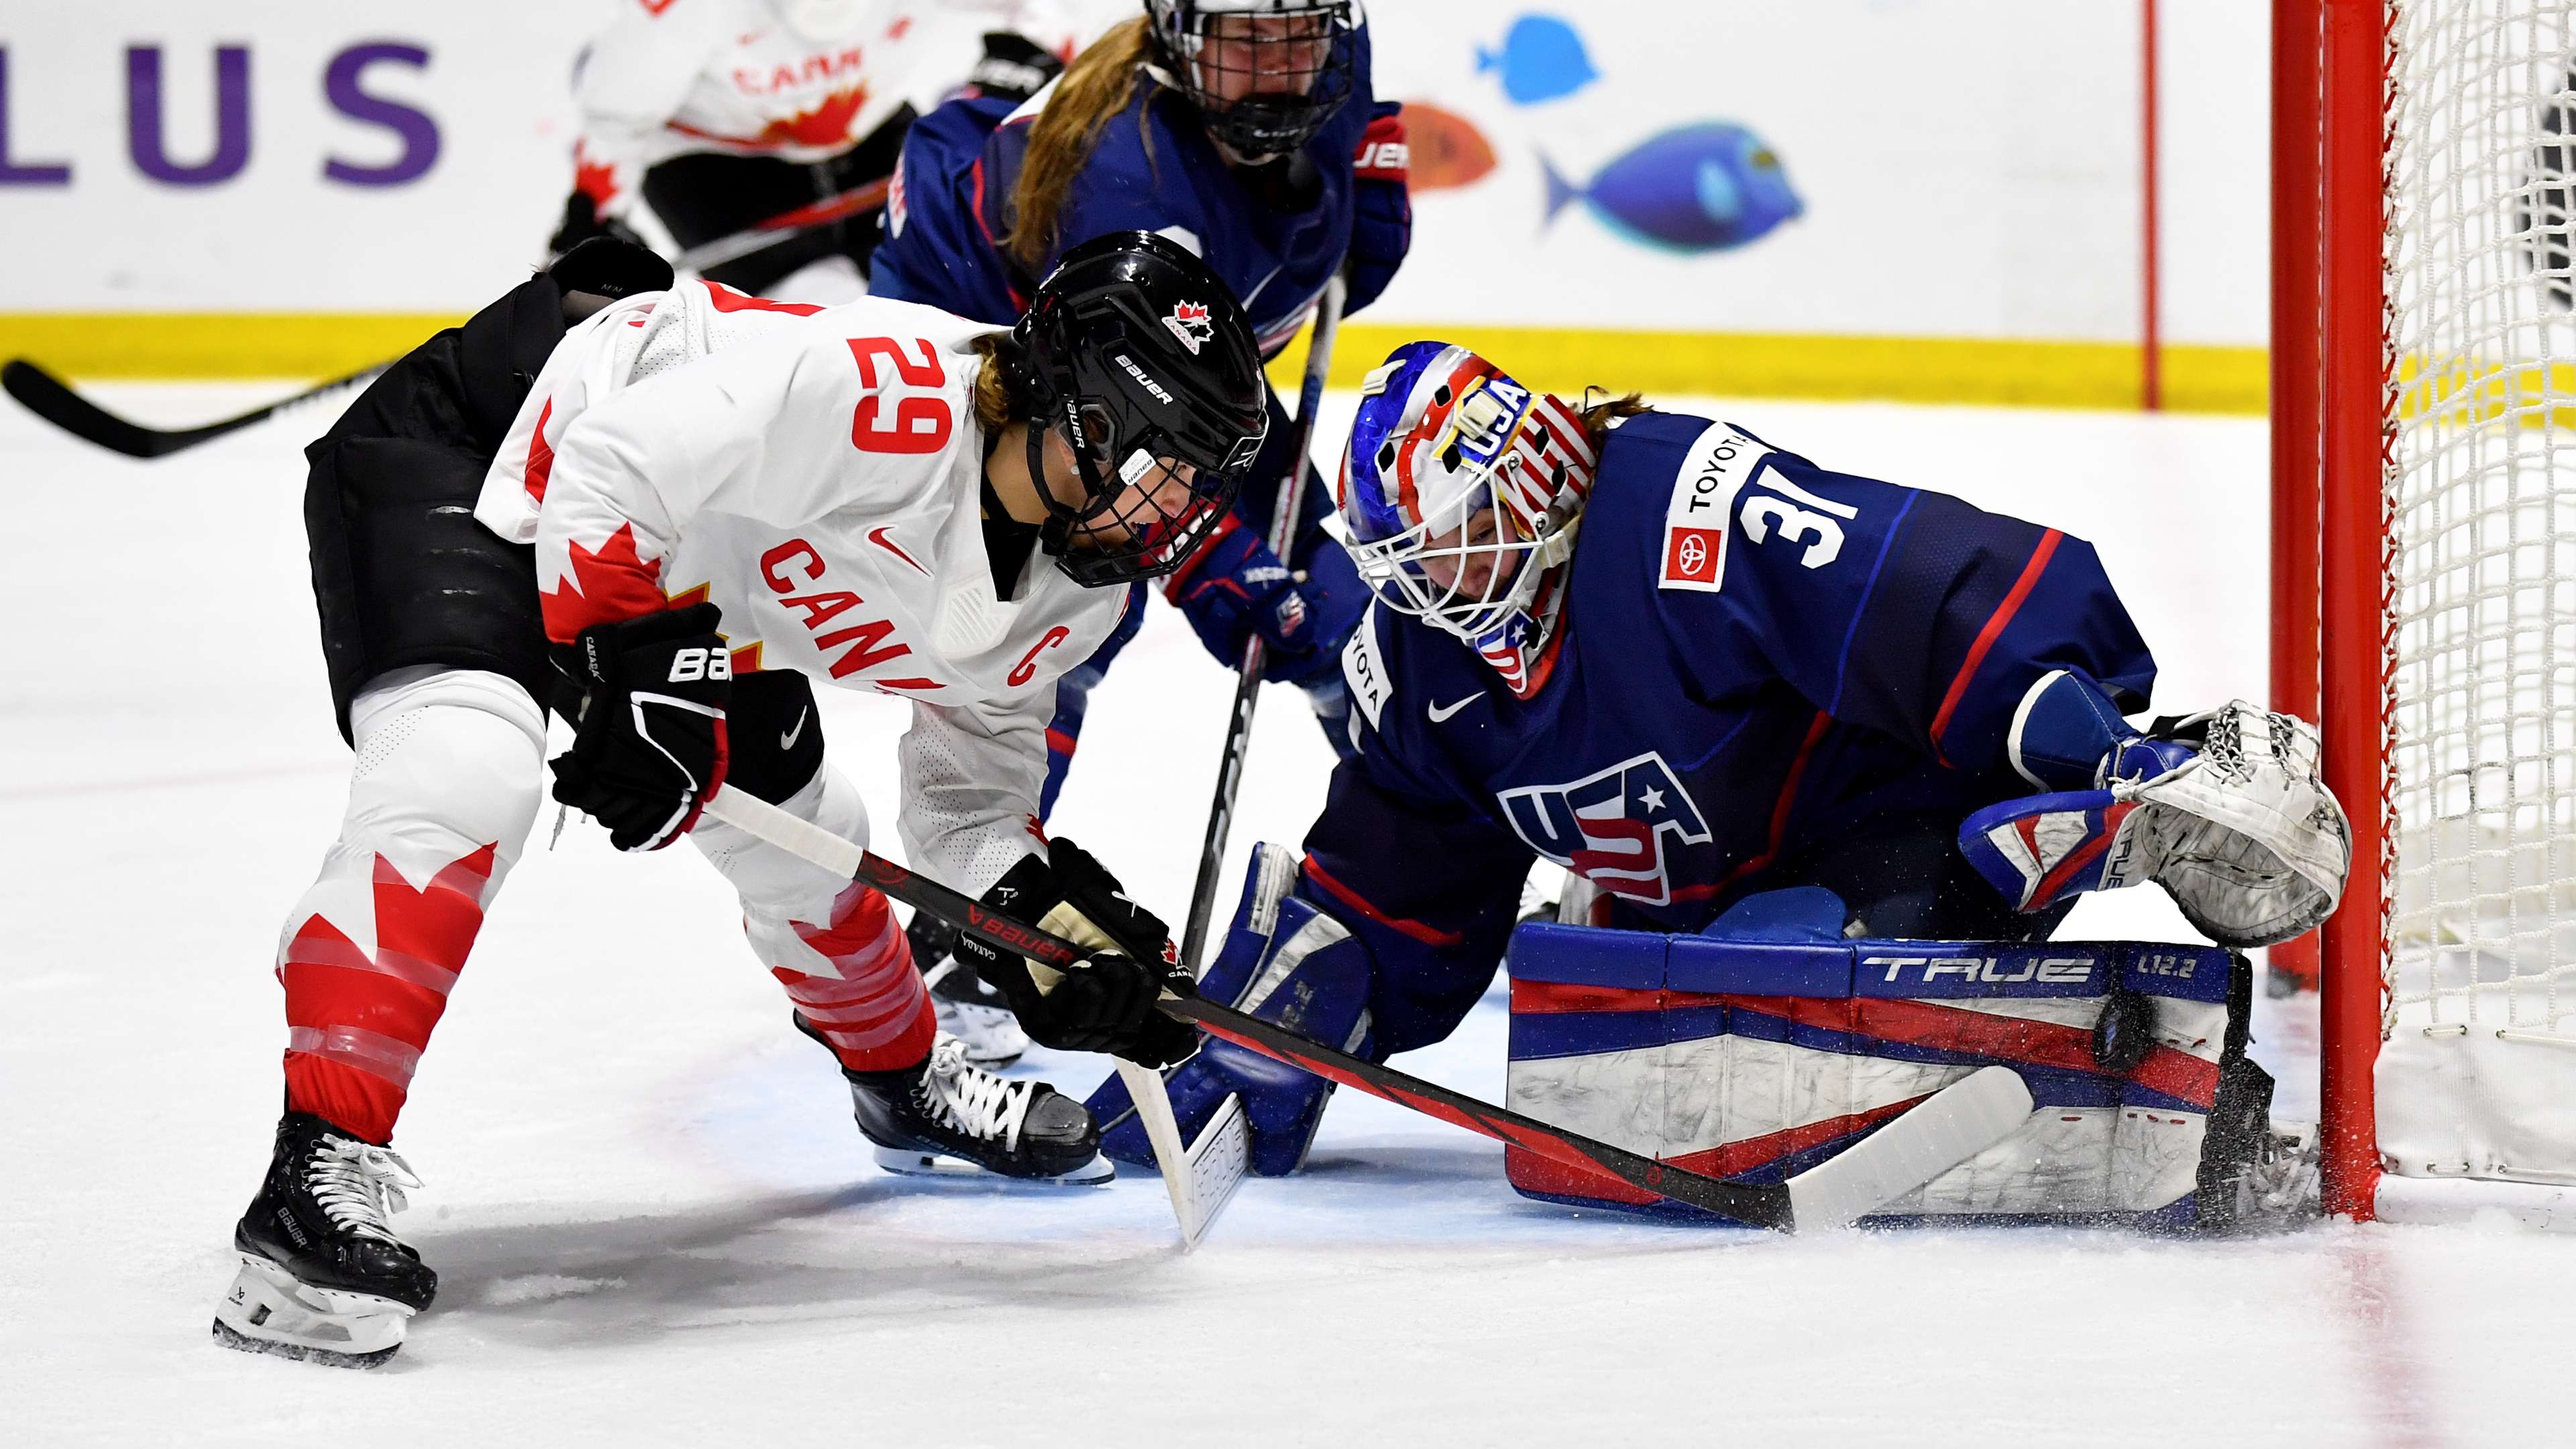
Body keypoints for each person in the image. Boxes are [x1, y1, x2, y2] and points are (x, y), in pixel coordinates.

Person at [215, 230, 1264, 1369]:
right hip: (489, 449)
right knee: (464, 774)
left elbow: (965, 818)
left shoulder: (1074, 600)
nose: (1171, 510)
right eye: (1159, 462)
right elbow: (613, 463)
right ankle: (310, 1182)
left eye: (1193, 482)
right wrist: (622, 668)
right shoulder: (890, 399)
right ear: (1079, 410)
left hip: (682, 570)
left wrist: (1057, 938)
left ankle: (902, 1086)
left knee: (817, 848)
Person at [1085, 340, 2353, 1176]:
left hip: (1889, 800)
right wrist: (1272, 1034)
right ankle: (1948, 915)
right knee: (1658, 998)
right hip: (1701, 911)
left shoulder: (1678, 505)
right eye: (1411, 564)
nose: (1442, 587)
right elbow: (1401, 868)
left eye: (1462, 542)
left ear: (1534, 477)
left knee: (1811, 944)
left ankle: (2135, 776)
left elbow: (1904, 594)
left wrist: (2084, 730)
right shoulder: (1422, 663)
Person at [867, 0, 1411, 1059]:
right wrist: (1222, 568)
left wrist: (1368, 208)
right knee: (1055, 621)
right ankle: (968, 932)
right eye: (1245, 45)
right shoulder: (1135, 190)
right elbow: (1130, 465)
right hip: (988, 340)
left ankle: (1433, 864)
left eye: (1299, 39)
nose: (1279, 71)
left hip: (1185, 369)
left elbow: (1347, 195)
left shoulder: (1320, 74)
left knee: (1349, 617)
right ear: (1176, 41)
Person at [546, 0, 1075, 301]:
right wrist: (595, 215)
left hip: (865, 129)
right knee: (819, 305)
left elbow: (1039, 10)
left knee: (961, 273)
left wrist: (1022, 61)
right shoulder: (681, 14)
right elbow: (617, 118)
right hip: (713, 158)